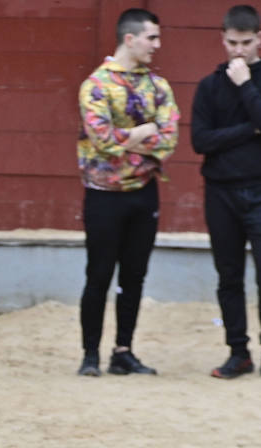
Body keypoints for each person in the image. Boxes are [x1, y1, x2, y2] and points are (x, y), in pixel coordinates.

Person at [191, 5, 261, 380]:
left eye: (246, 43)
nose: (239, 51)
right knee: (229, 274)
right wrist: (248, 130)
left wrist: (246, 85)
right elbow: (200, 141)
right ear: (222, 39)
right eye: (233, 43)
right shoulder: (208, 85)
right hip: (220, 192)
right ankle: (238, 352)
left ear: (260, 39)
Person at [75, 8, 179, 376]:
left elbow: (169, 140)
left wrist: (127, 142)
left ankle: (123, 351)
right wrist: (141, 133)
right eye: (152, 38)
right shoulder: (96, 85)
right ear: (130, 39)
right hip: (103, 193)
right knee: (99, 274)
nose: (158, 45)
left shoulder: (159, 86)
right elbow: (101, 141)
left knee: (134, 274)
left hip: (143, 193)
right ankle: (90, 355)